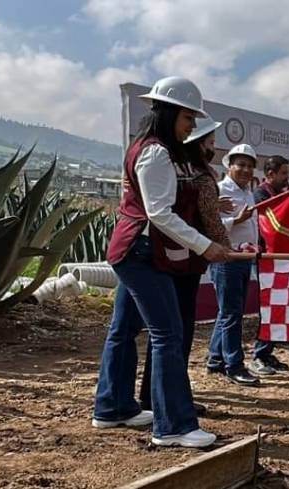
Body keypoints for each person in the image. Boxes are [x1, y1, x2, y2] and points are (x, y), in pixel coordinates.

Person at [94, 76, 240, 448]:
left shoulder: (146, 147)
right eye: (188, 117)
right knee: (168, 334)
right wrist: (206, 246)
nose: (192, 125)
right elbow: (160, 213)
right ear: (171, 112)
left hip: (133, 250)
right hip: (141, 253)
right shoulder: (157, 152)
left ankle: (113, 407)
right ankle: (173, 425)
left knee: (124, 330)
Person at [137, 114, 229, 414]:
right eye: (209, 142)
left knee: (168, 332)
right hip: (182, 257)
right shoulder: (193, 172)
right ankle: (167, 400)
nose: (212, 148)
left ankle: (161, 395)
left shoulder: (182, 167)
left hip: (179, 255)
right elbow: (207, 219)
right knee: (175, 332)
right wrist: (222, 248)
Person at [206, 143, 262, 386]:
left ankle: (216, 359)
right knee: (231, 313)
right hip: (226, 258)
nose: (246, 170)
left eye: (250, 166)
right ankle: (234, 365)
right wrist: (234, 220)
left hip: (244, 257)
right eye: (241, 165)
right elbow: (209, 225)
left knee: (229, 312)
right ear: (230, 165)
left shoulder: (248, 193)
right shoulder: (219, 190)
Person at [248, 155, 289, 376]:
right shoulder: (260, 194)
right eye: (283, 173)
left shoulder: (279, 194)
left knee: (277, 309)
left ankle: (267, 352)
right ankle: (258, 355)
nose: (287, 178)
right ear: (270, 174)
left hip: (280, 259)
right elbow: (273, 224)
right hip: (266, 259)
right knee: (268, 309)